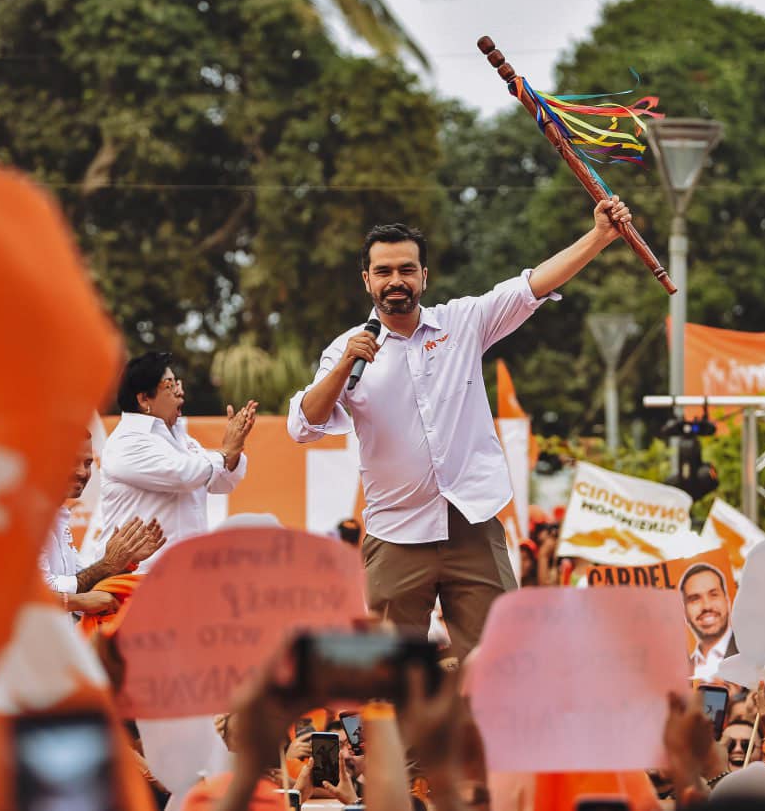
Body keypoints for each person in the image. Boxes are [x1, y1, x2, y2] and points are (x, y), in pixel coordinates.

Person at [286, 199, 636, 658]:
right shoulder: (347, 350)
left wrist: (600, 236)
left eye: (407, 270)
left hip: (472, 523)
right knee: (391, 679)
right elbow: (303, 425)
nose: (396, 281)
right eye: (384, 271)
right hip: (397, 535)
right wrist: (346, 364)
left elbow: (531, 286)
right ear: (367, 280)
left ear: (424, 277)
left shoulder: (463, 322)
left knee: (502, 663)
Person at [89, 352, 257, 571]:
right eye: (170, 384)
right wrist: (225, 452)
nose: (180, 391)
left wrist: (233, 450)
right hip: (136, 578)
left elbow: (221, 483)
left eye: (178, 383)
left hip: (182, 574)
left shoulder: (179, 437)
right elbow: (184, 475)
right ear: (143, 399)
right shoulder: (126, 441)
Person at [38, 430, 164, 612]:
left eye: (88, 463)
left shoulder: (57, 514)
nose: (83, 472)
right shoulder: (20, 517)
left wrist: (123, 562)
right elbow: (37, 592)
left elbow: (79, 581)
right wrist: (107, 565)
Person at [679, 562, 736, 680]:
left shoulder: (755, 655)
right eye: (695, 599)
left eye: (714, 595)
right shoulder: (681, 673)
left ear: (727, 600)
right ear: (684, 611)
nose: (707, 606)